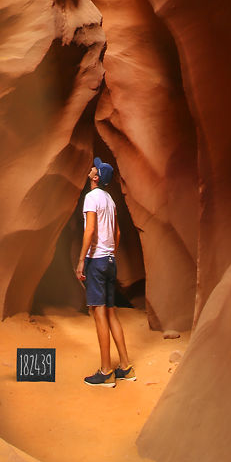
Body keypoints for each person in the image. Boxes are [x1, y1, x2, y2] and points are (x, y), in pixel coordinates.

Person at [75, 157, 137, 387]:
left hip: (97, 261)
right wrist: (110, 252)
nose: (91, 167)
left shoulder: (92, 198)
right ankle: (126, 367)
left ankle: (106, 371)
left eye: (94, 167)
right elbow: (117, 233)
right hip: (110, 260)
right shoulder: (110, 200)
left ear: (95, 177)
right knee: (111, 313)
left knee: (99, 314)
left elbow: (90, 229)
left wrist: (82, 260)